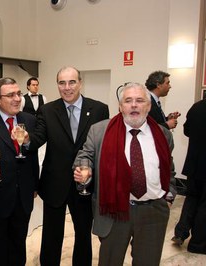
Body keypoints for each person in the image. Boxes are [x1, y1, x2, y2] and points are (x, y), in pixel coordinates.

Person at [74, 82, 176, 265]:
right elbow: (85, 156)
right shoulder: (100, 131)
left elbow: (169, 169)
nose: (134, 105)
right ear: (120, 107)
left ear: (148, 105)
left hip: (153, 211)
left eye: (139, 100)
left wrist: (169, 196)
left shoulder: (163, 134)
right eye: (128, 101)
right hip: (115, 210)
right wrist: (85, 169)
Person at [23, 66, 109, 265]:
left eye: (72, 82)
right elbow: (37, 139)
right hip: (55, 183)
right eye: (62, 83)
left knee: (83, 235)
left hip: (85, 183)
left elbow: (104, 146)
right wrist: (27, 139)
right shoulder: (48, 110)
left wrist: (93, 172)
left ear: (80, 83)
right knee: (51, 235)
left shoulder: (99, 109)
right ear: (57, 85)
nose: (67, 87)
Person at [0, 77, 39, 265]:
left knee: (19, 244)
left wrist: (34, 185)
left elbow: (33, 154)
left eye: (18, 93)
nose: (17, 98)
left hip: (24, 195)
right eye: (10, 95)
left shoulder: (30, 120)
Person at [172, 98, 206, 254]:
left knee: (192, 199)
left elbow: (187, 130)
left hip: (194, 164)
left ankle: (180, 233)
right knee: (204, 205)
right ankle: (198, 243)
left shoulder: (197, 107)